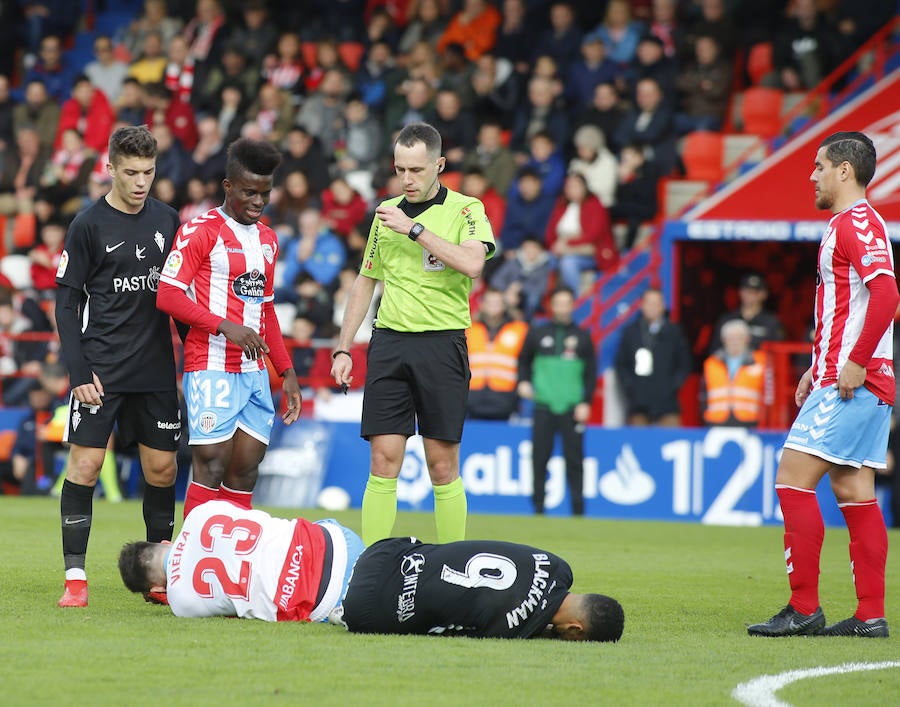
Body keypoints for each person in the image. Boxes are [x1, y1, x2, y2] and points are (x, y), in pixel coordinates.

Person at [748, 132, 897, 639]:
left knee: (791, 479)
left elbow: (886, 294)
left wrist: (852, 362)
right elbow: (849, 307)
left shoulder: (857, 224)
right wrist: (820, 362)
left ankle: (803, 607)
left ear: (844, 172)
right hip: (848, 376)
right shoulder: (850, 225)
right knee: (853, 489)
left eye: (818, 167)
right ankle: (870, 615)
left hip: (853, 382)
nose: (811, 175)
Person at [330, 122, 495, 545]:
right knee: (383, 461)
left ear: (439, 165)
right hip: (389, 343)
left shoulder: (466, 210)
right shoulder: (385, 213)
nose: (407, 179)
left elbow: (473, 264)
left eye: (417, 170)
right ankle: (371, 569)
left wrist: (415, 229)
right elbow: (366, 279)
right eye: (400, 169)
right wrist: (344, 347)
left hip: (442, 343)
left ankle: (454, 568)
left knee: (442, 465)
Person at [54, 125, 183, 608]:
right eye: (130, 172)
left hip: (154, 368)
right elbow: (66, 305)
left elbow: (180, 297)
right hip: (101, 371)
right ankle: (75, 578)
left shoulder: (168, 220)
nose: (140, 182)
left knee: (163, 470)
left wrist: (195, 356)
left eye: (148, 172)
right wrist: (78, 373)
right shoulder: (87, 224)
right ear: (110, 169)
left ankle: (159, 577)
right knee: (86, 466)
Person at [156, 137, 302, 520]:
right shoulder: (199, 231)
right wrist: (225, 327)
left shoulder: (269, 240)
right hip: (211, 364)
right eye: (249, 192)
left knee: (245, 471)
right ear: (228, 187)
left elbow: (265, 311)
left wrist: (285, 371)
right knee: (212, 464)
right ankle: (191, 560)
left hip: (254, 372)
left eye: (265, 193)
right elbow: (167, 296)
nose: (258, 202)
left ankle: (231, 562)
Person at [338, 536, 624, 641]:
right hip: (363, 610)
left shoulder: (558, 565)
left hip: (386, 551)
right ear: (575, 628)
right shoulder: (513, 629)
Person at [118, 499, 364, 622]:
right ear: (164, 544)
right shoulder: (200, 512)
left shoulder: (181, 603)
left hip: (325, 599)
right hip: (338, 541)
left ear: (156, 589)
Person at [518, 287, 596, 516]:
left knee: (575, 461)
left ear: (573, 306)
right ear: (551, 306)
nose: (562, 308)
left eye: (567, 303)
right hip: (543, 405)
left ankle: (578, 511)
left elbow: (591, 373)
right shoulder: (537, 333)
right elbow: (523, 361)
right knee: (539, 459)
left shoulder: (583, 337)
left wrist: (586, 402)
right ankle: (539, 509)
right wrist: (523, 381)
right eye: (558, 303)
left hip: (572, 408)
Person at [614, 287, 691, 427]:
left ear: (662, 306)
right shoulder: (631, 332)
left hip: (667, 404)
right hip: (638, 404)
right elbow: (621, 365)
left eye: (656, 303)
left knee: (670, 444)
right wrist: (632, 388)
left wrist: (671, 387)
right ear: (641, 305)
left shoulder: (674, 332)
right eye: (649, 303)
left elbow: (684, 364)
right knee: (637, 445)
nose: (652, 307)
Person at [467, 287, 528, 421]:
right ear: (482, 305)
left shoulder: (520, 329)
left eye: (497, 303)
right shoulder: (469, 330)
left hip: (505, 397)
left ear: (504, 306)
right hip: (472, 397)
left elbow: (526, 361)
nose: (493, 307)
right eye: (489, 302)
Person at [702, 319, 766, 427]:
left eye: (739, 337)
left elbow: (767, 392)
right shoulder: (711, 363)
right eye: (730, 338)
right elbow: (702, 394)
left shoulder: (760, 361)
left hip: (750, 421)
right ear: (724, 340)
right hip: (716, 420)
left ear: (747, 339)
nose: (734, 342)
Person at [709, 272, 785, 354]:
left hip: (760, 365)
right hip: (730, 366)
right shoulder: (727, 320)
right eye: (745, 290)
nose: (749, 294)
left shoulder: (771, 322)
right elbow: (715, 351)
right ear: (740, 292)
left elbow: (778, 353)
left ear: (764, 294)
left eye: (754, 292)